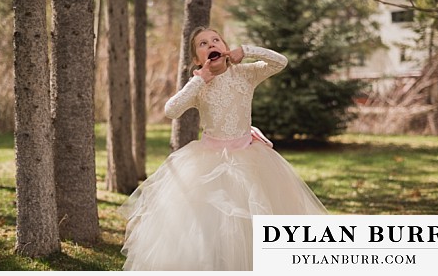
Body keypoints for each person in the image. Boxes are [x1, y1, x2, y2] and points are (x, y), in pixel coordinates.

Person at [118, 27, 327, 271]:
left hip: (249, 157)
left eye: (215, 40)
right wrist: (198, 80)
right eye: (203, 44)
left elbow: (281, 61)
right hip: (208, 160)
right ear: (197, 58)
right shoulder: (199, 85)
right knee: (210, 223)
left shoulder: (245, 73)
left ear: (225, 48)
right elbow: (171, 110)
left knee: (250, 219)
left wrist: (246, 51)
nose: (211, 44)